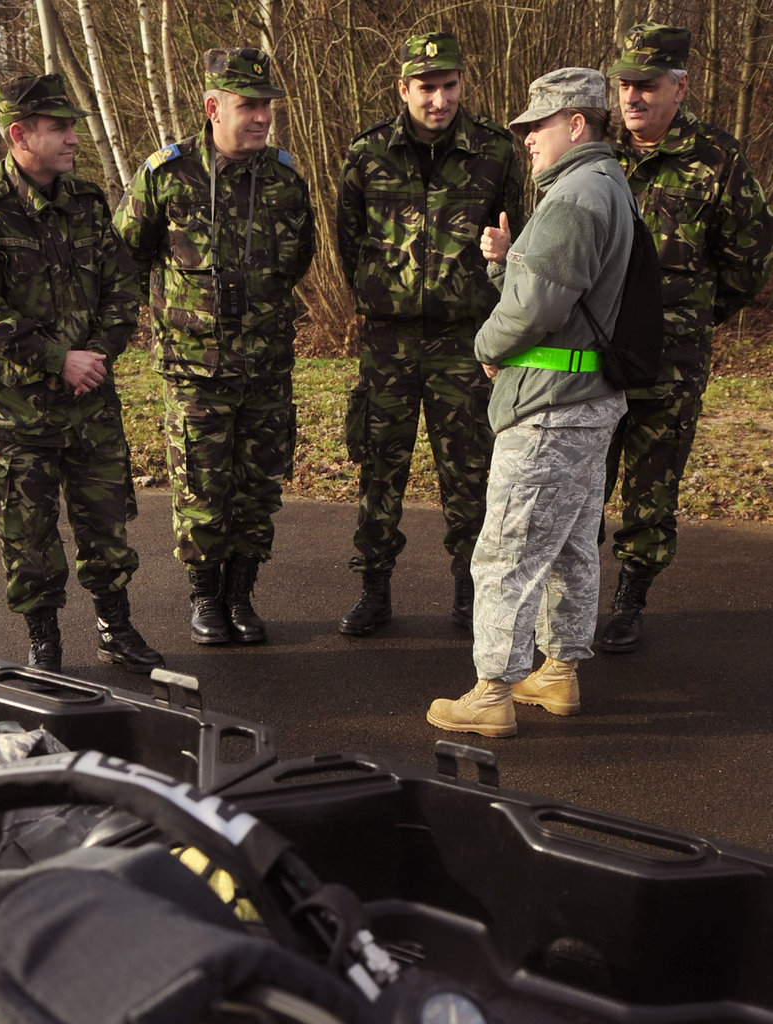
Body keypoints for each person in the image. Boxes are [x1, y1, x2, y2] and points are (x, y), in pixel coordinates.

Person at [426, 68, 634, 738]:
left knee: (506, 551)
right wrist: (506, 262)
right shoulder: (607, 186)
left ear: (577, 124)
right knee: (571, 543)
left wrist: (488, 341)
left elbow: (537, 308)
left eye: (537, 127)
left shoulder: (574, 194)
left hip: (549, 406)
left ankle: (492, 689)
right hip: (588, 397)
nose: (526, 141)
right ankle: (558, 668)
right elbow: (564, 289)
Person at [0, 74, 164, 675]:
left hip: (90, 400)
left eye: (73, 125)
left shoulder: (88, 201)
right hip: (16, 412)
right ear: (19, 134)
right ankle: (44, 644)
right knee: (28, 536)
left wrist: (96, 355)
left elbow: (123, 287)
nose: (73, 137)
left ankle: (115, 628)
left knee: (106, 524)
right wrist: (57, 359)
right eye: (59, 127)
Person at [114, 48, 315, 645]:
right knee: (202, 491)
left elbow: (299, 257)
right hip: (195, 371)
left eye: (267, 106)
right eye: (248, 105)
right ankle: (205, 598)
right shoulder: (165, 175)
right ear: (213, 107)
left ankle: (241, 596)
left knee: (258, 489)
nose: (261, 117)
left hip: (267, 368)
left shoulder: (283, 177)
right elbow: (126, 256)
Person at [335, 32, 524, 637]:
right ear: (403, 89)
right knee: (379, 468)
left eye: (448, 86)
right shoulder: (367, 154)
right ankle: (374, 589)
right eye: (426, 88)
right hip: (387, 342)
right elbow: (347, 244)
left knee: (470, 472)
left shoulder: (495, 152)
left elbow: (514, 243)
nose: (438, 100)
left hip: (464, 340)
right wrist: (377, 299)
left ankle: (470, 593)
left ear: (462, 84)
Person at [598, 23, 773, 652]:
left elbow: (749, 261)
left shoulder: (719, 160)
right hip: (592, 353)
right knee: (583, 478)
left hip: (671, 359)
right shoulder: (597, 152)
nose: (633, 98)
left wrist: (690, 315)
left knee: (652, 485)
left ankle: (630, 600)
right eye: (624, 85)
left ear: (680, 86)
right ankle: (566, 600)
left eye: (646, 85)